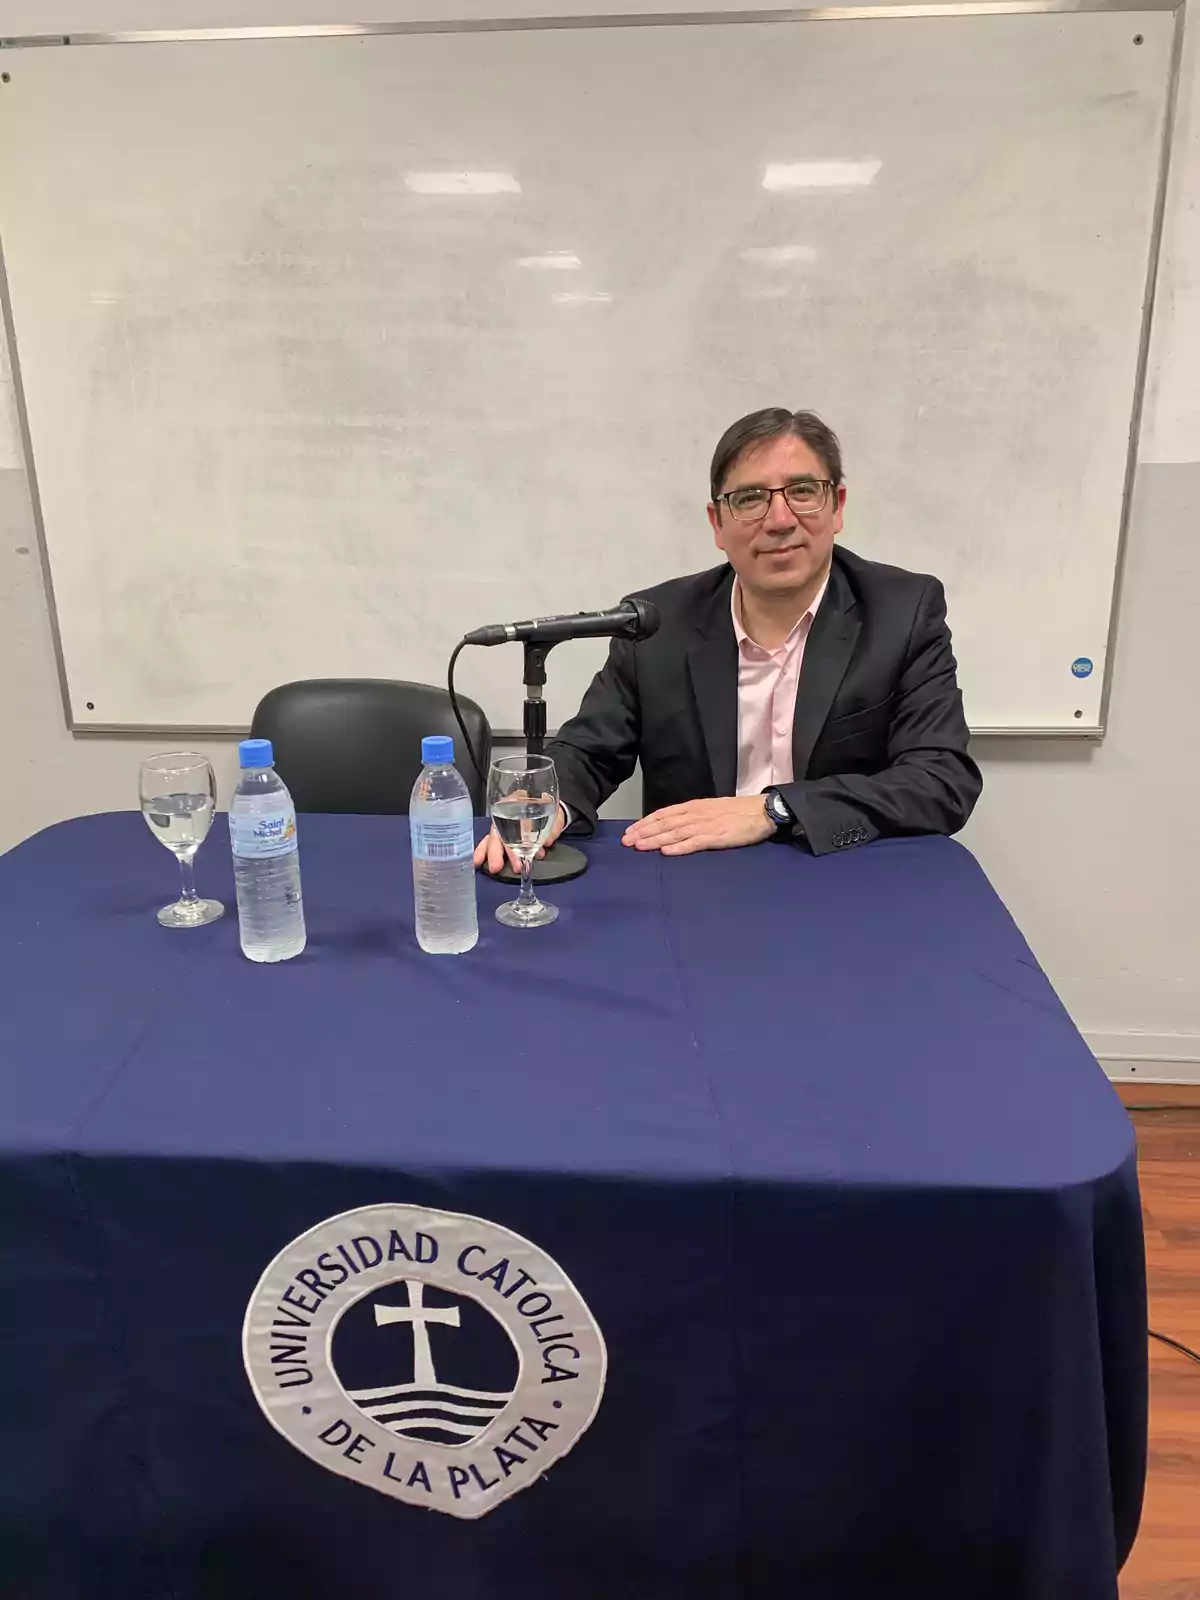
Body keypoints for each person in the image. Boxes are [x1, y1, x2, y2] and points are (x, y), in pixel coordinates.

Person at [475, 406, 981, 872]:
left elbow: (940, 780)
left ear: (837, 506)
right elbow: (589, 750)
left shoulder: (902, 611)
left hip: (841, 877)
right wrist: (546, 802)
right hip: (697, 882)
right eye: (751, 499)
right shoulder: (658, 622)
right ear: (718, 523)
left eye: (803, 491)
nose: (780, 521)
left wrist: (774, 808)